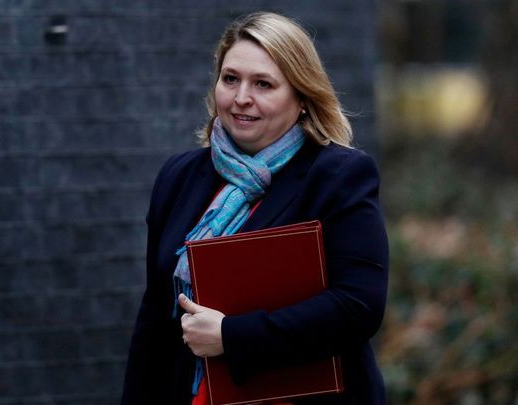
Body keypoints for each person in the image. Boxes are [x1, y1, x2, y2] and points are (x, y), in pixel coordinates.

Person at [121, 11, 388, 405]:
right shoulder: (179, 177)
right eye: (231, 79)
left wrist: (231, 336)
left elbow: (358, 305)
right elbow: (154, 315)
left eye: (263, 84)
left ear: (301, 98)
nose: (241, 97)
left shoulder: (338, 176)